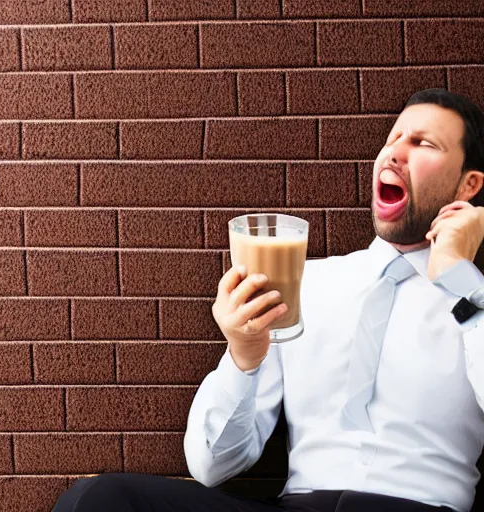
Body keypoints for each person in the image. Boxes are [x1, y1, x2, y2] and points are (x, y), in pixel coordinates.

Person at [53, 88, 484, 512]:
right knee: (97, 499)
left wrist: (460, 284)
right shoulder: (305, 284)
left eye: (423, 143)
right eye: (393, 138)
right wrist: (243, 358)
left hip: (420, 507)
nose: (394, 154)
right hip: (299, 505)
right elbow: (212, 465)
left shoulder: (476, 300)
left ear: (469, 185)